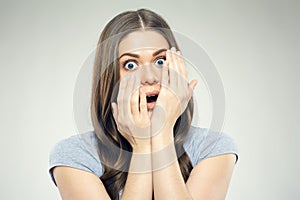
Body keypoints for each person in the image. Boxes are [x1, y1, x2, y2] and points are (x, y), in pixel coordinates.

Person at [49, 8, 238, 200]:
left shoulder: (213, 147)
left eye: (160, 61)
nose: (149, 77)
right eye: (131, 65)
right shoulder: (75, 155)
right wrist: (141, 147)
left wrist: (161, 132)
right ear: (110, 79)